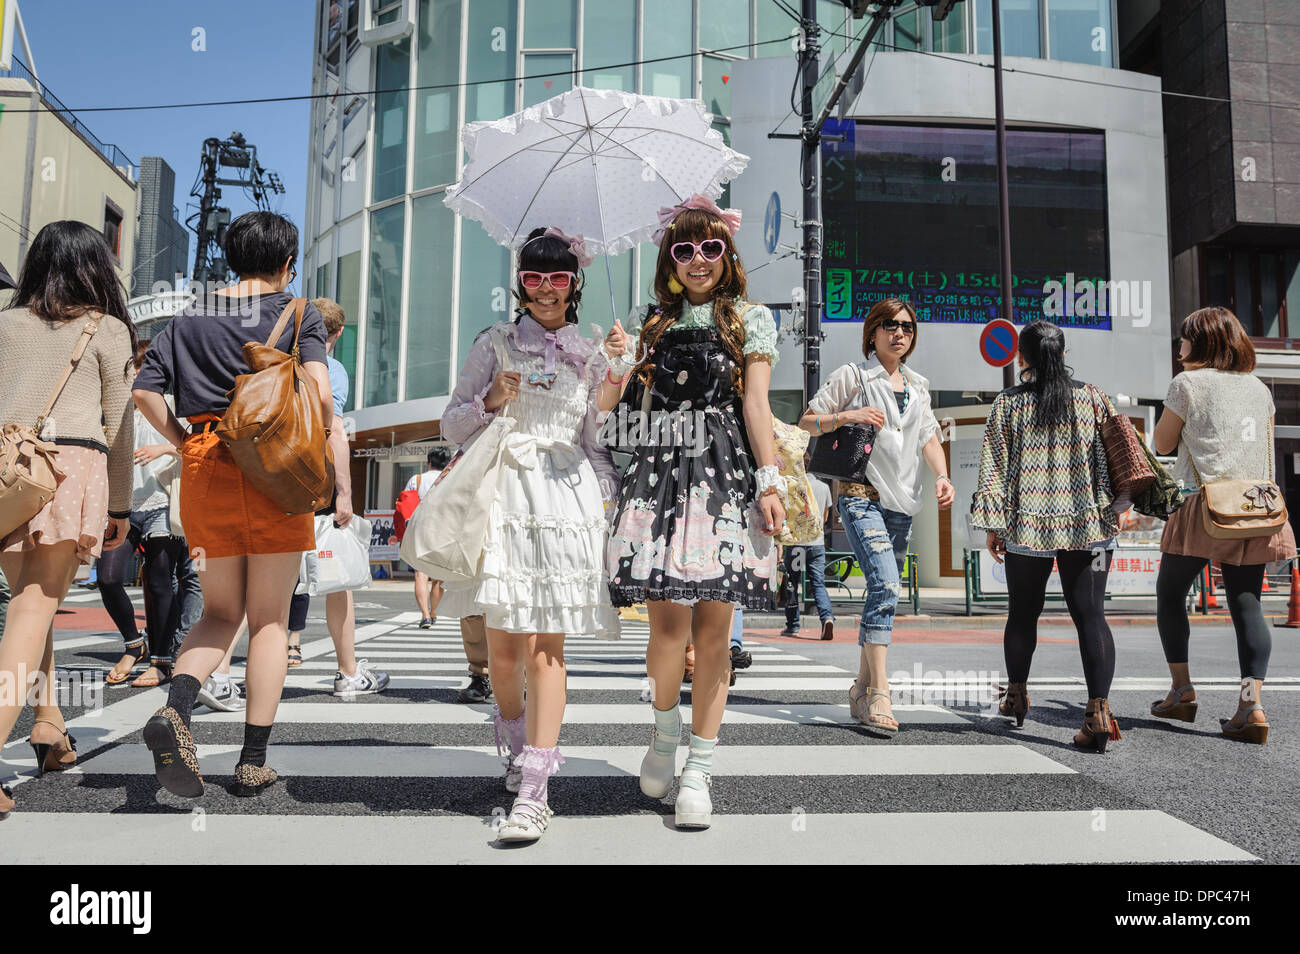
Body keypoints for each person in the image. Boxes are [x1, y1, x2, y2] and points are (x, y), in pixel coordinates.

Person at [132, 210, 334, 799]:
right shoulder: (300, 313)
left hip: (205, 467)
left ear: (230, 256)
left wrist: (186, 442)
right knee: (269, 618)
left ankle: (176, 711)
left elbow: (144, 392)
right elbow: (320, 398)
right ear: (287, 263)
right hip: (276, 472)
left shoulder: (188, 317)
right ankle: (251, 763)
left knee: (220, 612)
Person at [602, 196, 784, 830]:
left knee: (714, 632)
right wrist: (621, 362)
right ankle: (661, 734)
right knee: (665, 630)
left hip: (726, 475)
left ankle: (699, 768)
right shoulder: (651, 323)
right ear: (669, 260)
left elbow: (756, 406)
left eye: (710, 247)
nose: (699, 259)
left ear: (726, 253)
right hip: (658, 471)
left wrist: (770, 481)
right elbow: (622, 413)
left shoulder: (750, 320)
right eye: (685, 249)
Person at [438, 227, 619, 843]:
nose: (546, 288)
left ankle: (537, 788)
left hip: (566, 500)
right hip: (504, 496)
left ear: (576, 285)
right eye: (535, 277)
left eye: (559, 277)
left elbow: (597, 443)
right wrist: (490, 398)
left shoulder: (593, 354)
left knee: (547, 648)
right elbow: (452, 425)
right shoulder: (493, 343)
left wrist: (604, 505)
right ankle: (516, 746)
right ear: (520, 283)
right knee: (505, 650)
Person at [0, 221, 136, 819]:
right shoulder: (106, 328)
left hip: (6, 472)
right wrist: (121, 506)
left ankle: (49, 726)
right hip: (67, 469)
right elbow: (121, 425)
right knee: (33, 609)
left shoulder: (4, 324)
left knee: (32, 609)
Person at [798, 297, 953, 737]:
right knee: (886, 583)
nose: (899, 333)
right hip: (859, 493)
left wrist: (942, 476)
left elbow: (928, 438)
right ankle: (881, 693)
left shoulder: (919, 387)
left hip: (902, 503)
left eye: (906, 326)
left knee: (883, 589)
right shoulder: (853, 376)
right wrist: (848, 414)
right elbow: (807, 421)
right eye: (889, 325)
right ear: (872, 333)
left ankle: (861, 688)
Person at [971, 320, 1122, 751]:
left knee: (1022, 613)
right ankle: (1097, 714)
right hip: (1088, 524)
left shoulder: (1008, 404)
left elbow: (994, 469)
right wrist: (1114, 506)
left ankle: (1016, 695)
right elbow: (1108, 457)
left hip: (1027, 523)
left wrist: (995, 526)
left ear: (1023, 358)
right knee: (1091, 615)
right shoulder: (1093, 398)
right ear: (1064, 354)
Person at [1150, 307, 1296, 744]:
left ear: (1203, 343)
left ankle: (1182, 690)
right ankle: (1251, 705)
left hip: (1203, 503)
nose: (1179, 348)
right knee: (1247, 604)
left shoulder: (1187, 384)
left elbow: (1162, 443)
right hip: (1255, 505)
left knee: (1170, 592)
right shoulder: (1258, 388)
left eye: (1185, 339)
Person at [285, 298, 387, 695]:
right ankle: (348, 673)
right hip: (314, 483)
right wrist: (344, 492)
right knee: (337, 582)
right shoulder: (331, 369)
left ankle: (219, 671)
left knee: (263, 581)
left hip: (271, 481)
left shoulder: (277, 361)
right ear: (338, 333)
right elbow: (334, 430)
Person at [781, 458, 836, 639]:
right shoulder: (824, 487)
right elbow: (825, 517)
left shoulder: (793, 487)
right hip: (817, 543)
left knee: (792, 584)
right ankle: (827, 618)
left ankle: (793, 625)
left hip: (797, 544)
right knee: (818, 583)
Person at [406, 449, 447, 628]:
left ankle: (424, 615)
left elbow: (404, 504)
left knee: (420, 574)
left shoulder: (417, 479)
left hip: (420, 527)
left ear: (429, 462)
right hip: (443, 529)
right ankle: (433, 612)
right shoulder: (450, 478)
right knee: (438, 577)